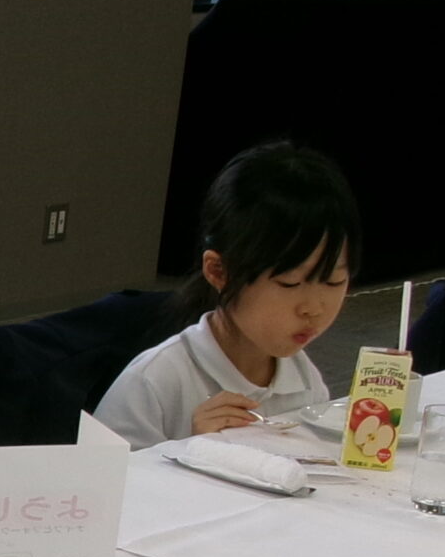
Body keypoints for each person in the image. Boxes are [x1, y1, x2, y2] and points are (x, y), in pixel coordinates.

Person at [96, 141, 361, 450]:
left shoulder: (303, 379)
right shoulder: (154, 382)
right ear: (219, 271)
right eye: (289, 283)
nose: (313, 308)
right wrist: (190, 450)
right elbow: (96, 477)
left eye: (333, 281)